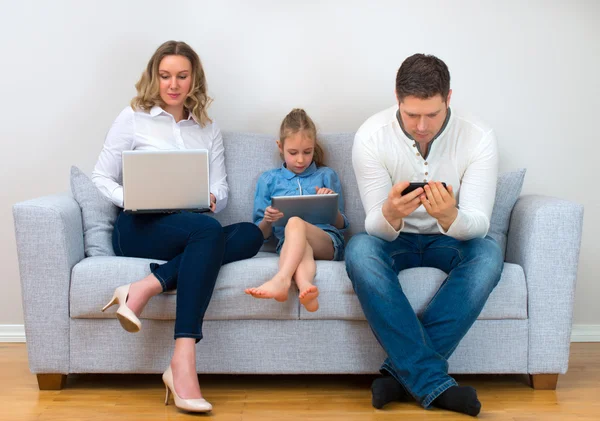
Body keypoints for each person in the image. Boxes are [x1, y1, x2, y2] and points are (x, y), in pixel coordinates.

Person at [92, 40, 263, 413]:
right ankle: (183, 360)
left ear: (193, 79)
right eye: (166, 75)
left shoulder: (207, 128)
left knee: (250, 233)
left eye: (182, 76)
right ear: (155, 77)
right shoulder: (133, 117)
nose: (173, 84)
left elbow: (222, 187)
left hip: (188, 227)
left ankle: (146, 286)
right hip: (138, 226)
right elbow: (100, 177)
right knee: (209, 233)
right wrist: (132, 197)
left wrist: (213, 197)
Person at [346, 54, 503, 417]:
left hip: (450, 238)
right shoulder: (370, 136)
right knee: (359, 250)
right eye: (410, 114)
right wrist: (390, 214)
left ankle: (400, 377)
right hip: (394, 240)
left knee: (488, 254)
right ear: (397, 99)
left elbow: (479, 222)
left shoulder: (478, 136)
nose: (420, 126)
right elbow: (373, 223)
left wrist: (450, 217)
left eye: (431, 115)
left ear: (448, 98)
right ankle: (432, 382)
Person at [245, 109, 349, 312]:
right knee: (301, 247)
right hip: (289, 244)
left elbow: (343, 224)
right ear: (280, 147)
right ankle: (306, 287)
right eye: (293, 153)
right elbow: (261, 235)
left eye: (307, 152)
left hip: (326, 241)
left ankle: (281, 280)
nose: (300, 160)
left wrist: (329, 204)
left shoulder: (326, 175)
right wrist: (267, 219)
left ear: (314, 148)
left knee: (294, 222)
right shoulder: (269, 180)